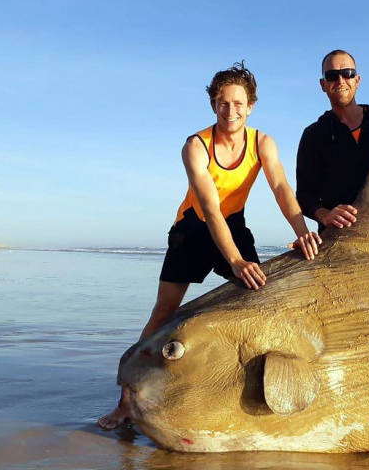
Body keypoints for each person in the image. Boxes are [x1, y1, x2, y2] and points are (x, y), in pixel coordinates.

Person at [98, 61, 321, 429]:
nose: (229, 111)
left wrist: (301, 229)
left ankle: (241, 390)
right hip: (193, 228)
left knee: (258, 298)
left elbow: (281, 189)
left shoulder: (262, 142)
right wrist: (234, 261)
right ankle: (126, 401)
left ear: (250, 106)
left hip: (233, 224)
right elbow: (211, 209)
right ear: (213, 105)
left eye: (237, 103)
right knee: (164, 312)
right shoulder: (196, 146)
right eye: (222, 103)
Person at [296, 49, 369, 231]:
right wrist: (326, 215)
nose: (340, 81)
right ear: (323, 84)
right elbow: (305, 196)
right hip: (340, 235)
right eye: (332, 76)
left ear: (357, 80)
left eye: (347, 74)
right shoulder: (314, 134)